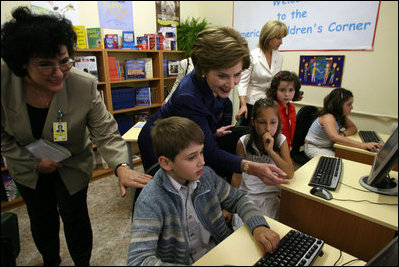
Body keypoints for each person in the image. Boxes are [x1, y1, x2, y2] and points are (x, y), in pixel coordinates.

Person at [1, 7, 151, 266]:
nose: (58, 72)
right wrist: (33, 162)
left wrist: (121, 166)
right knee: (41, 217)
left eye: (64, 61)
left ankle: (82, 261)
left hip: (71, 163)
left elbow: (105, 131)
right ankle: (51, 260)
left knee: (75, 216)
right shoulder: (3, 81)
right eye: (45, 64)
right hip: (26, 166)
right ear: (22, 64)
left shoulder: (83, 84)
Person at [138, 26, 289, 189]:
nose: (232, 84)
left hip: (184, 134)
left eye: (237, 74)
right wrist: (252, 168)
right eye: (222, 76)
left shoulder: (208, 84)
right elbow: (210, 154)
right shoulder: (189, 98)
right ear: (203, 70)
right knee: (172, 192)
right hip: (159, 143)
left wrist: (210, 132)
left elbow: (199, 120)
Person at [128, 116, 281, 265]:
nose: (202, 161)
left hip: (220, 252)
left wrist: (258, 225)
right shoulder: (150, 199)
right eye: (191, 157)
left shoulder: (206, 176)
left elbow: (238, 199)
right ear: (166, 163)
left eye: (201, 152)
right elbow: (138, 260)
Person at [231, 98, 294, 229]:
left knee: (270, 230)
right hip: (247, 195)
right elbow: (237, 175)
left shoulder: (281, 140)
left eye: (273, 123)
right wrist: (231, 203)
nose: (268, 128)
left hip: (270, 194)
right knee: (243, 230)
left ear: (278, 122)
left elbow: (289, 173)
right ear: (253, 122)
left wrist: (270, 151)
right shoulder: (243, 142)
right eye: (261, 122)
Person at [235, 20, 288, 126]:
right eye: (278, 38)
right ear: (268, 37)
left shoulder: (279, 57)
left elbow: (277, 81)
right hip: (251, 104)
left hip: (269, 104)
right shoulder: (252, 56)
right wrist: (243, 105)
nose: (281, 42)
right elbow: (242, 83)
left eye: (282, 38)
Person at [304, 88, 382, 158]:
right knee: (339, 162)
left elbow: (353, 128)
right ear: (338, 105)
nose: (352, 107)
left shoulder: (340, 115)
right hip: (314, 147)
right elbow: (334, 137)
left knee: (351, 156)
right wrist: (363, 145)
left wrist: (343, 134)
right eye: (349, 104)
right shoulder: (328, 117)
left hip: (328, 146)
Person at [266, 70, 302, 149]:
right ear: (275, 90)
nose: (287, 94)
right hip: (274, 147)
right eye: (282, 90)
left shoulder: (292, 108)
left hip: (288, 146)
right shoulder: (271, 109)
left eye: (291, 90)